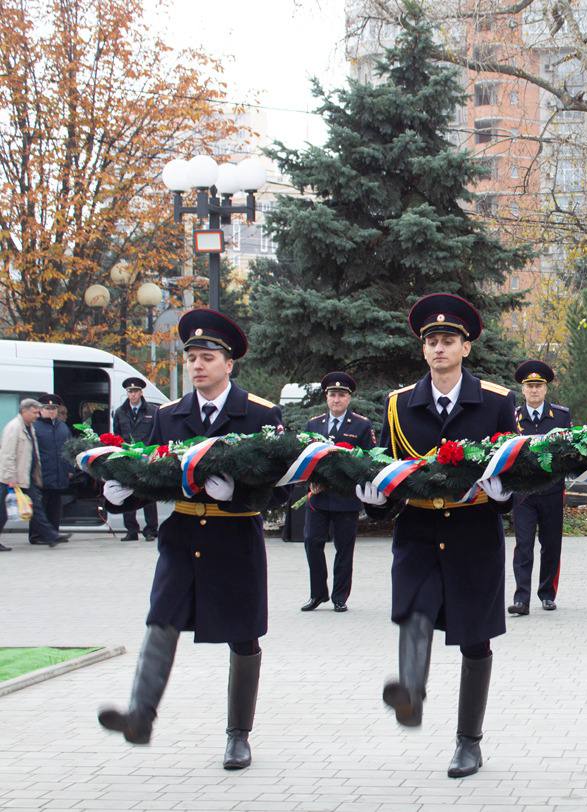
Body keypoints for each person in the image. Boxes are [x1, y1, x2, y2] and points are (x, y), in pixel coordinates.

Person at [97, 308, 285, 771]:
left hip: (234, 539)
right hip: (181, 537)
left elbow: (280, 483)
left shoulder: (259, 414)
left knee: (243, 636)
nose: (197, 365)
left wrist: (237, 495)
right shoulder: (169, 416)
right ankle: (140, 716)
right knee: (161, 621)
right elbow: (154, 473)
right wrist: (120, 493)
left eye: (207, 357)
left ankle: (238, 735)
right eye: (192, 358)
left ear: (229, 364)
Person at [357, 293, 516, 779]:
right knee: (413, 613)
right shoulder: (399, 404)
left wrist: (503, 489)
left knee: (474, 638)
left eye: (449, 340)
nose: (440, 348)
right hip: (420, 529)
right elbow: (387, 467)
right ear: (423, 351)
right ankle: (411, 687)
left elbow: (515, 472)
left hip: (473, 532)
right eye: (432, 342)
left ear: (466, 348)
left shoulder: (495, 401)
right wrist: (373, 495)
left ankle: (469, 742)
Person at [301, 371, 376, 613]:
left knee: (344, 548)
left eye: (341, 395)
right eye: (332, 394)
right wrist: (310, 481)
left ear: (349, 398)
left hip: (346, 498)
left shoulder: (362, 425)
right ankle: (318, 594)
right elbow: (303, 458)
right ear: (326, 397)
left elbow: (368, 460)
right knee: (312, 542)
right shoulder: (314, 424)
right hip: (319, 497)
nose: (336, 399)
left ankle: (339, 597)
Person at [508, 360, 571, 616]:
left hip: (551, 491)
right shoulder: (513, 417)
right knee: (523, 545)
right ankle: (521, 599)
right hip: (523, 494)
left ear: (546, 389)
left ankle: (547, 594)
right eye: (529, 386)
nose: (534, 390)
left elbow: (568, 451)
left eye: (538, 386)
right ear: (523, 390)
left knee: (551, 544)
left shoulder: (562, 415)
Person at [0, 398, 69, 548]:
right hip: (10, 478)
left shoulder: (28, 426)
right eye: (34, 412)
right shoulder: (14, 428)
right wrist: (10, 478)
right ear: (24, 411)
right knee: (2, 511)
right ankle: (51, 536)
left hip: (24, 476)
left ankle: (51, 536)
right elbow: (7, 455)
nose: (37, 416)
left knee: (36, 507)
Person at [112, 378, 159, 541]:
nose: (133, 394)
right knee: (127, 492)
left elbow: (156, 434)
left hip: (146, 457)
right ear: (127, 393)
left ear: (141, 392)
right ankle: (131, 530)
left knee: (148, 493)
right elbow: (116, 436)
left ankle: (151, 530)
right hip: (128, 458)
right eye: (130, 392)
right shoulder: (119, 412)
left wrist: (152, 453)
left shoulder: (153, 411)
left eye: (136, 391)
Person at [34, 394, 74, 541]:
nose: (51, 411)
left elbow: (69, 448)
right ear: (41, 410)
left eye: (54, 408)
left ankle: (54, 533)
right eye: (48, 408)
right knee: (41, 507)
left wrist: (70, 469)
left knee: (55, 507)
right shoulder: (35, 427)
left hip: (59, 474)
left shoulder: (62, 427)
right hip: (42, 474)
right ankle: (37, 535)